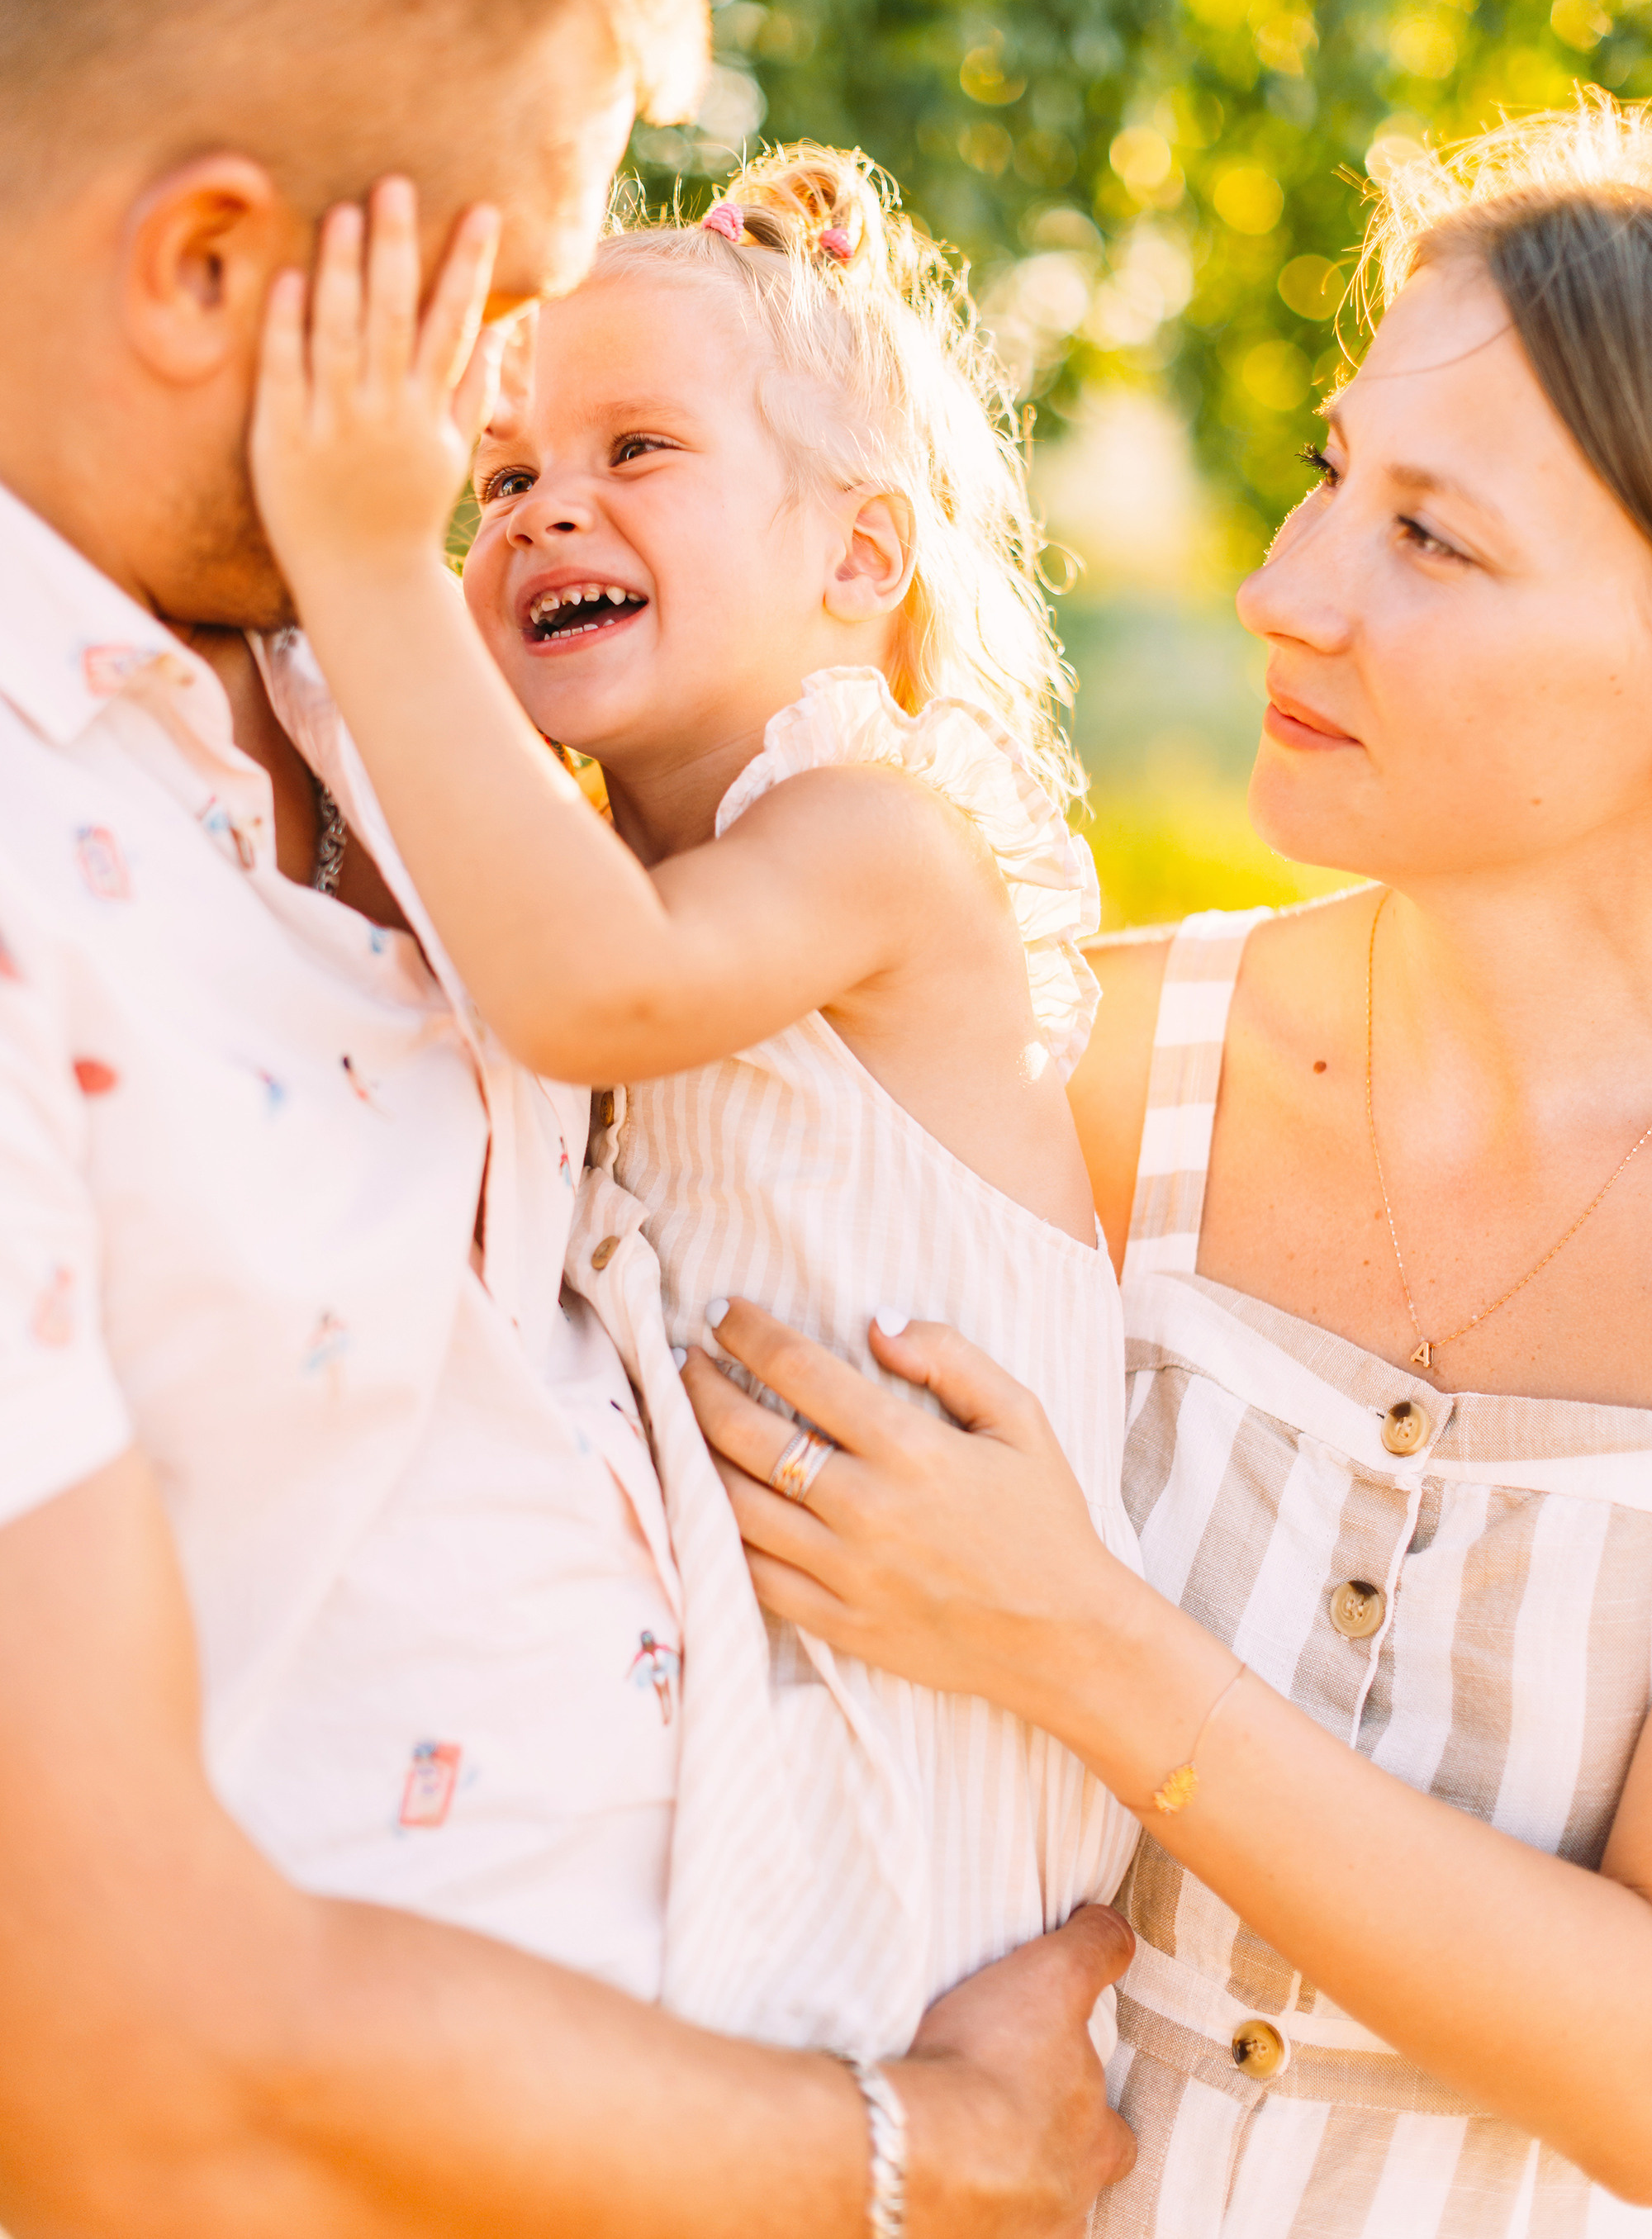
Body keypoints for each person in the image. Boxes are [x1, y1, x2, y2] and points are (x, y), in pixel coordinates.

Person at [0, 0, 1135, 2231]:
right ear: (207, 272)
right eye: (491, 355)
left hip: (881, 1827)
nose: (508, 484)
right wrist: (916, 2153)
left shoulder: (359, 682)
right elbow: (111, 2041)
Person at [684, 93, 1652, 2233]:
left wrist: (1086, 1640)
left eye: (1434, 537)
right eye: (1331, 476)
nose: (1281, 591)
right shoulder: (1090, 1060)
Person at [249, 140, 1142, 2056]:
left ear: (857, 557)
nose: (540, 511)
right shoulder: (595, 863)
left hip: (931, 1758)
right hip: (790, 1688)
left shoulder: (870, 836)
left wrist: (353, 545)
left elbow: (589, 990)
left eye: (634, 452)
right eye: (498, 479)